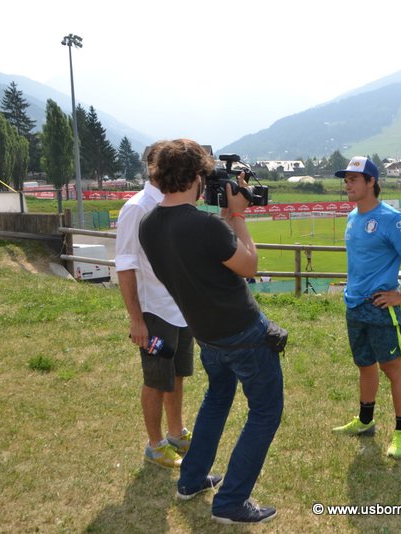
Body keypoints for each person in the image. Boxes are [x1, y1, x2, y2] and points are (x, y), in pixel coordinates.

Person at [139, 139, 282, 525]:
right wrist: (237, 216)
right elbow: (249, 266)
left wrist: (223, 217)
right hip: (242, 331)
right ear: (196, 177)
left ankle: (191, 479)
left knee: (217, 399)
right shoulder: (204, 226)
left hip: (205, 334)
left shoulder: (149, 225)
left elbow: (203, 254)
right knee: (266, 411)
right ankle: (231, 501)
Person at [332, 156, 401, 459]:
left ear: (371, 181)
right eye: (346, 180)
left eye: (353, 179)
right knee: (364, 364)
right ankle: (365, 421)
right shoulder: (352, 216)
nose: (347, 185)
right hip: (354, 305)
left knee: (392, 368)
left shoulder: (391, 219)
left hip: (379, 307)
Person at [115, 141, 194, 470]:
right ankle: (155, 444)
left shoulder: (172, 203)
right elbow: (125, 265)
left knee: (177, 375)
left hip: (180, 310)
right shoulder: (137, 208)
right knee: (156, 379)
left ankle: (176, 433)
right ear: (156, 168)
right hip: (154, 312)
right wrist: (137, 319)